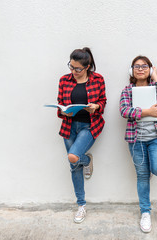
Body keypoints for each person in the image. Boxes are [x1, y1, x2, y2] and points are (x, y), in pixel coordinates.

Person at [119, 56, 157, 233]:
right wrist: (146, 112)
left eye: (145, 66)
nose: (140, 69)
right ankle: (145, 212)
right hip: (136, 140)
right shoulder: (127, 90)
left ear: (150, 69)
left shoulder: (156, 88)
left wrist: (156, 77)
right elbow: (124, 110)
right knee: (142, 176)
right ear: (131, 70)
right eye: (137, 66)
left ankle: (149, 168)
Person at [56, 47, 106, 223]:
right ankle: (81, 205)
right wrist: (64, 112)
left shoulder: (98, 79)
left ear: (87, 66)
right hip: (69, 126)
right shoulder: (64, 80)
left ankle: (87, 160)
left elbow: (102, 101)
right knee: (74, 166)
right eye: (71, 67)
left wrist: (96, 107)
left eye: (77, 69)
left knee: (72, 157)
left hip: (89, 126)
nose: (73, 71)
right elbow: (61, 103)